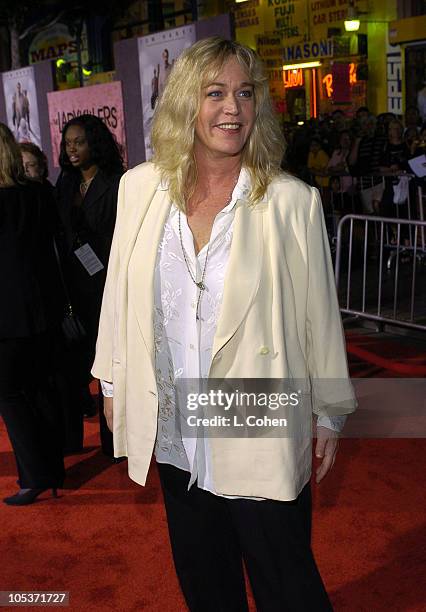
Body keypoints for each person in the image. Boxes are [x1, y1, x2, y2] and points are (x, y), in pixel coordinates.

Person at [92, 37, 356, 611]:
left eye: (243, 93)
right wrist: (113, 383)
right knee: (203, 576)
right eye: (215, 93)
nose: (231, 108)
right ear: (187, 103)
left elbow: (319, 316)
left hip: (258, 412)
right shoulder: (139, 188)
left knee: (284, 575)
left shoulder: (290, 201)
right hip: (177, 419)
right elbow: (119, 292)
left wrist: (329, 409)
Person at [0, 123, 65, 505]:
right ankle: (51, 471)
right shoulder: (38, 194)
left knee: (11, 395)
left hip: (7, 317)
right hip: (43, 312)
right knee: (39, 392)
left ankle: (35, 476)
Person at [55, 114, 124, 451]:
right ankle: (70, 441)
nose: (72, 150)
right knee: (74, 365)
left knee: (111, 366)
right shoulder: (65, 184)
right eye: (68, 143)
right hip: (72, 288)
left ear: (94, 143)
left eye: (79, 142)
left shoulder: (116, 182)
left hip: (107, 284)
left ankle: (115, 441)